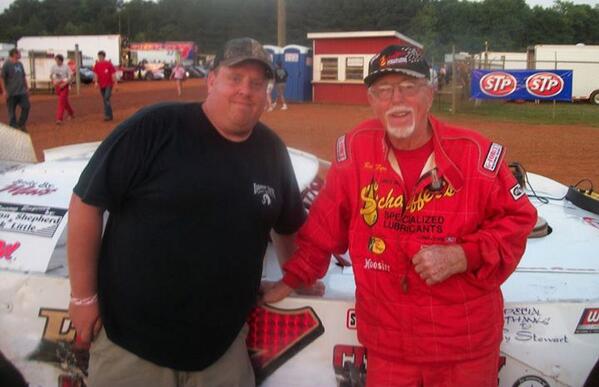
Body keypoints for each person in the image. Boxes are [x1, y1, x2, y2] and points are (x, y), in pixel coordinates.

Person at [263, 44, 537, 386]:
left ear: (430, 93)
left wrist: (464, 255)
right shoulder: (356, 150)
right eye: (383, 91)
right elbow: (324, 225)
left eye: (409, 88)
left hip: (463, 346)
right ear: (371, 100)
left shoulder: (474, 153)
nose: (397, 100)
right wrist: (292, 279)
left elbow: (518, 220)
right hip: (389, 347)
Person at [67, 37, 306, 387]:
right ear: (211, 80)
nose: (246, 90)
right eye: (234, 78)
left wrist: (294, 278)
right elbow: (86, 202)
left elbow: (287, 226)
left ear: (267, 93)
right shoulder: (155, 127)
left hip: (221, 352)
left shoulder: (272, 151)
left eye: (257, 83)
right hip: (132, 348)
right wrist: (83, 297)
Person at [0, 49, 30, 132]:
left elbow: (23, 76)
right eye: (19, 53)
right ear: (14, 54)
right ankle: (13, 127)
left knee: (26, 106)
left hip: (21, 91)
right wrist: (4, 91)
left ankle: (21, 123)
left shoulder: (20, 64)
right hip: (11, 93)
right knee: (11, 111)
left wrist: (26, 88)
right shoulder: (6, 64)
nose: (20, 54)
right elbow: (2, 78)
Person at [92, 50, 116, 121]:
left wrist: (115, 83)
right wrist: (96, 82)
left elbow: (113, 74)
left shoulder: (109, 64)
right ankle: (110, 115)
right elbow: (95, 74)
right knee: (105, 100)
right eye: (99, 56)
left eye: (101, 56)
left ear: (103, 56)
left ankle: (107, 115)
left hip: (109, 84)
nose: (100, 57)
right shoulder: (97, 65)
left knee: (106, 98)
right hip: (101, 84)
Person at [50, 54, 75, 124]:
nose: (56, 61)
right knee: (64, 102)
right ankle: (71, 113)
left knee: (61, 102)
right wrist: (53, 81)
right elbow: (51, 75)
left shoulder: (66, 67)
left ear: (61, 60)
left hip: (64, 85)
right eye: (56, 60)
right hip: (57, 85)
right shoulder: (53, 67)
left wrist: (65, 84)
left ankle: (59, 118)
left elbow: (71, 77)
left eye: (58, 60)